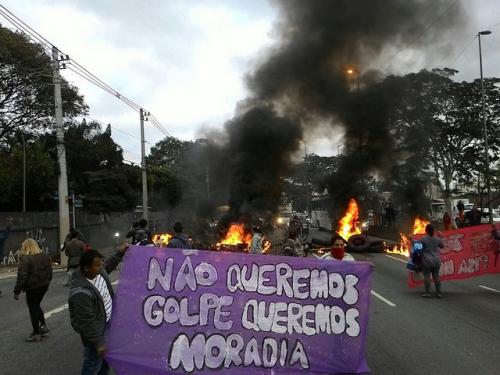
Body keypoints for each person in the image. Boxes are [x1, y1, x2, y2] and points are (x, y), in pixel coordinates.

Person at [68, 245, 128, 375]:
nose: (101, 267)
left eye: (100, 264)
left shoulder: (98, 272)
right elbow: (87, 323)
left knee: (105, 361)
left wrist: (119, 253)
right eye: (97, 265)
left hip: (108, 323)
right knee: (93, 364)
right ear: (86, 268)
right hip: (97, 330)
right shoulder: (80, 293)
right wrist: (99, 343)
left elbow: (108, 264)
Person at [13, 238, 53, 342]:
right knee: (36, 305)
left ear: (25, 247)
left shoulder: (26, 258)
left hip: (33, 287)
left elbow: (22, 277)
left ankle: (36, 333)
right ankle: (43, 326)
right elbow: (50, 271)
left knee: (33, 308)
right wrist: (47, 282)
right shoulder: (45, 256)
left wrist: (16, 291)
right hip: (44, 285)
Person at [420, 224, 444, 298]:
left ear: (426, 230)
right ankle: (439, 293)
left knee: (427, 276)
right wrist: (441, 237)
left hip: (426, 260)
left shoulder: (423, 239)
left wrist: (412, 240)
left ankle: (427, 293)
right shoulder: (437, 239)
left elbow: (419, 248)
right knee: (436, 277)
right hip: (436, 260)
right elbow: (442, 246)